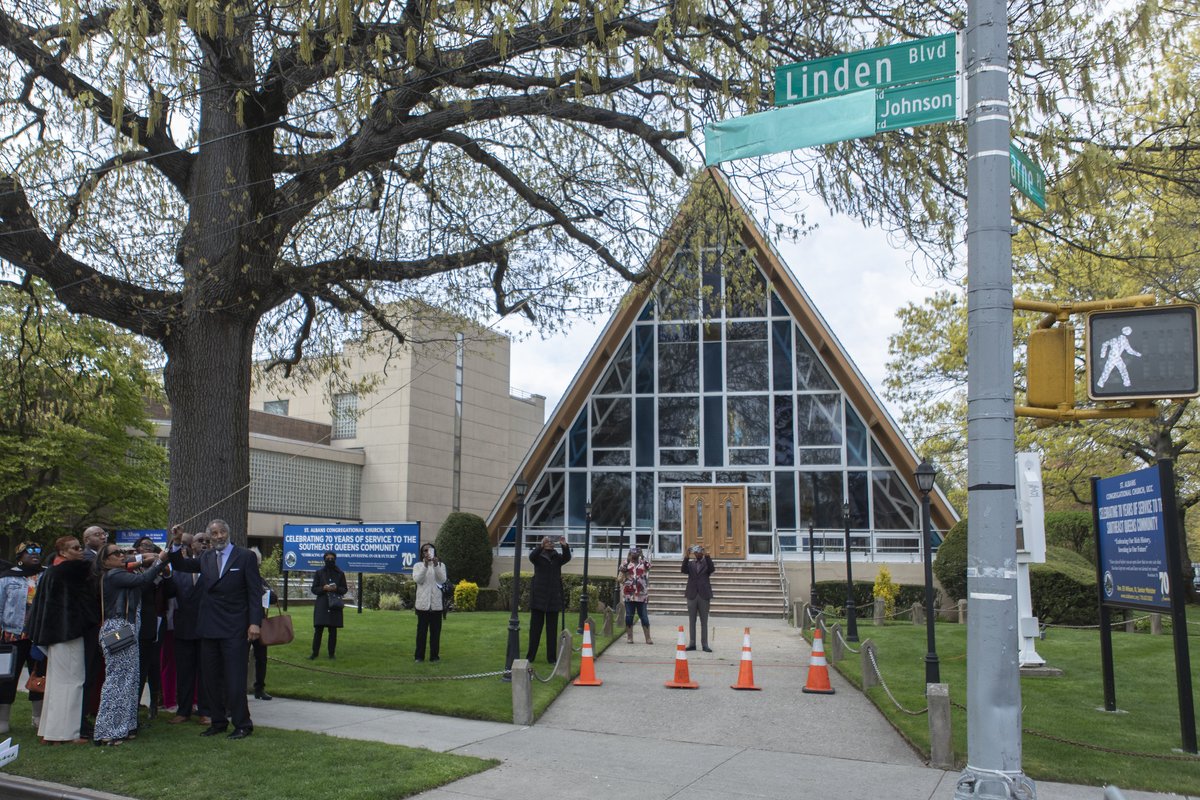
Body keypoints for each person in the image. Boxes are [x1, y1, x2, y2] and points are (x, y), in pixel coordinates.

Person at [168, 519, 264, 740]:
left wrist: (254, 622)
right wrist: (175, 542)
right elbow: (180, 565)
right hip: (208, 627)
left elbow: (254, 593)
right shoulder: (206, 557)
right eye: (214, 533)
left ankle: (242, 724)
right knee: (209, 678)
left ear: (228, 534)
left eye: (222, 532)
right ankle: (217, 722)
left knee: (235, 678)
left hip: (235, 627)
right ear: (209, 537)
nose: (218, 536)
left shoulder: (245, 556)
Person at [93, 542, 169, 745]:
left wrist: (157, 563)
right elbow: (144, 579)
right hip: (119, 630)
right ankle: (107, 731)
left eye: (123, 552)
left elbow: (144, 583)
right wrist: (159, 561)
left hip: (128, 628)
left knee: (131, 679)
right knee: (117, 681)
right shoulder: (114, 575)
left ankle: (124, 727)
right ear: (105, 560)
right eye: (116, 553)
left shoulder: (121, 574)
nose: (121, 555)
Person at [28, 536, 95, 744]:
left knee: (57, 683)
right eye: (75, 548)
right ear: (63, 553)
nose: (80, 550)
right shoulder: (71, 571)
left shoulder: (51, 571)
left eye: (79, 547)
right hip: (68, 633)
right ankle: (66, 733)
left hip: (53, 634)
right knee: (72, 682)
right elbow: (83, 603)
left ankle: (49, 731)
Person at [0, 542, 45, 733]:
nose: (35, 555)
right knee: (6, 679)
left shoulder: (45, 575)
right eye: (30, 552)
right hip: (12, 636)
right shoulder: (7, 577)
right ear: (20, 556)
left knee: (39, 676)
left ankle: (39, 718)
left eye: (38, 552)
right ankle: (3, 720)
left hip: (39, 636)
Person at [168, 530, 209, 725]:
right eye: (201, 541)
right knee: (184, 672)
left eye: (207, 541)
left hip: (206, 627)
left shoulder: (213, 565)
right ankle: (183, 710)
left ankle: (205, 710)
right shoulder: (180, 568)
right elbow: (170, 591)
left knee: (206, 671)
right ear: (191, 545)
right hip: (184, 626)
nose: (205, 544)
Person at [133, 537, 168, 720]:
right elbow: (143, 583)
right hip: (131, 624)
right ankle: (133, 704)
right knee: (136, 666)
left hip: (152, 622)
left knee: (152, 663)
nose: (146, 549)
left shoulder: (160, 574)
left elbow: (169, 591)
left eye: (150, 547)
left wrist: (163, 569)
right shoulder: (130, 569)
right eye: (142, 546)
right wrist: (157, 563)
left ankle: (154, 702)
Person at [78, 525, 108, 737]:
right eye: (98, 534)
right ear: (86, 539)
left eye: (103, 534)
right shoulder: (88, 559)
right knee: (87, 670)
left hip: (99, 620)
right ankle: (82, 716)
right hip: (90, 621)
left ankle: (90, 709)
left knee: (96, 669)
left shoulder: (98, 557)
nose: (103, 536)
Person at [526, 536, 570, 663]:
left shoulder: (557, 557)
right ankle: (530, 657)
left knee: (552, 631)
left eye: (552, 542)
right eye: (548, 542)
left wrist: (564, 545)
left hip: (553, 598)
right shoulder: (538, 557)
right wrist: (540, 545)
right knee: (535, 630)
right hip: (538, 598)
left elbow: (567, 557)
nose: (550, 544)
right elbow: (531, 557)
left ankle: (551, 658)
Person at [412, 544, 446, 662]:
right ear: (422, 553)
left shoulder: (441, 565)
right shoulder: (418, 565)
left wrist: (436, 566)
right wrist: (425, 566)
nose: (427, 552)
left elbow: (442, 580)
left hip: (436, 605)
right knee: (421, 633)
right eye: (424, 550)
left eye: (429, 550)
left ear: (434, 551)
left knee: (435, 634)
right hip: (422, 605)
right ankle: (419, 656)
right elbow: (418, 580)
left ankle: (434, 656)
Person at [310, 551, 347, 660]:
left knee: (333, 630)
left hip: (334, 604)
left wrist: (336, 588)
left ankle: (331, 654)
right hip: (322, 604)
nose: (330, 560)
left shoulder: (340, 573)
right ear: (324, 560)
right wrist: (323, 588)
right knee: (318, 630)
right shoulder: (319, 573)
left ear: (335, 560)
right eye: (328, 558)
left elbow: (344, 589)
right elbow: (314, 589)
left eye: (332, 559)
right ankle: (314, 653)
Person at [682, 545, 715, 652]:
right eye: (695, 552)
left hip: (704, 595)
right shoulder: (691, 563)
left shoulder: (706, 563)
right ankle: (692, 644)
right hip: (692, 594)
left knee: (704, 621)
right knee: (692, 621)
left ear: (702, 553)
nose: (697, 554)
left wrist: (707, 556)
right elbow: (683, 570)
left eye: (699, 552)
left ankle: (705, 644)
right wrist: (686, 556)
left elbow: (712, 569)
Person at [250, 547, 273, 699]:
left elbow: (273, 597)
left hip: (260, 622)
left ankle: (259, 687)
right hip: (244, 622)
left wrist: (267, 594)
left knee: (261, 658)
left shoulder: (260, 579)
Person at [618, 546, 653, 644]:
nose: (634, 555)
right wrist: (628, 560)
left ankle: (648, 638)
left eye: (636, 554)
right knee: (629, 616)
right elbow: (621, 569)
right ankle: (630, 637)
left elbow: (649, 566)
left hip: (642, 595)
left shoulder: (643, 564)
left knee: (644, 616)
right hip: (629, 595)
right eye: (632, 553)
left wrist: (643, 556)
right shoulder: (626, 563)